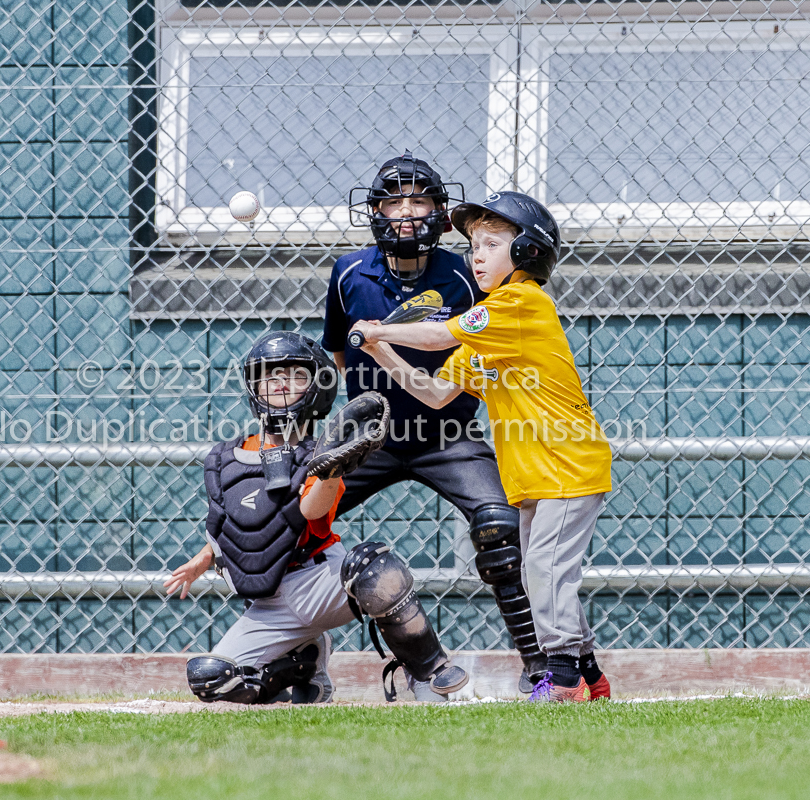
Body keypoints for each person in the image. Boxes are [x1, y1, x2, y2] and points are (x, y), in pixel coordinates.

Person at [347, 191, 613, 702]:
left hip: (567, 464)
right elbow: (435, 392)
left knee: (544, 570)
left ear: (527, 253)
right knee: (543, 574)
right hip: (537, 473)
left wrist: (382, 327)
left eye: (492, 244)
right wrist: (380, 349)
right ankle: (589, 676)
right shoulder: (489, 330)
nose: (477, 256)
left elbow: (442, 334)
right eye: (473, 246)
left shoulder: (519, 304)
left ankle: (559, 680)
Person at [323, 151, 546, 696]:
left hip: (447, 433)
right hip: (371, 438)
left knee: (499, 526)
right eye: (393, 201)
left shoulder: (464, 274)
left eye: (419, 201)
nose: (406, 213)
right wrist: (342, 426)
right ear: (373, 210)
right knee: (288, 516)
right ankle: (300, 662)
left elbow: (476, 342)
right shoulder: (349, 271)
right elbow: (338, 355)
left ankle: (542, 664)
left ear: (439, 212)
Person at [165, 331, 467, 704]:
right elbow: (233, 525)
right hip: (270, 604)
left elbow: (311, 511)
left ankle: (427, 672)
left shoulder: (322, 453)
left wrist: (332, 468)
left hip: (323, 582)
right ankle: (303, 665)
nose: (279, 383)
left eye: (295, 375)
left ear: (317, 388)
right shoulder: (225, 458)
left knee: (376, 570)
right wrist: (203, 559)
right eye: (269, 375)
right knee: (213, 679)